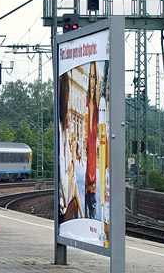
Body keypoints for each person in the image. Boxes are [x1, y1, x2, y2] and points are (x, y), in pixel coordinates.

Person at [58, 73, 83, 223]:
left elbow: (72, 182)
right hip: (65, 208)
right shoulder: (64, 135)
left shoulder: (66, 135)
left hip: (66, 207)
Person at [85, 62, 99, 220]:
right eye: (90, 77)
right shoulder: (86, 105)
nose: (92, 82)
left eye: (94, 78)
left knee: (93, 201)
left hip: (94, 161)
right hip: (87, 159)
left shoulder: (98, 107)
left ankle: (92, 219)